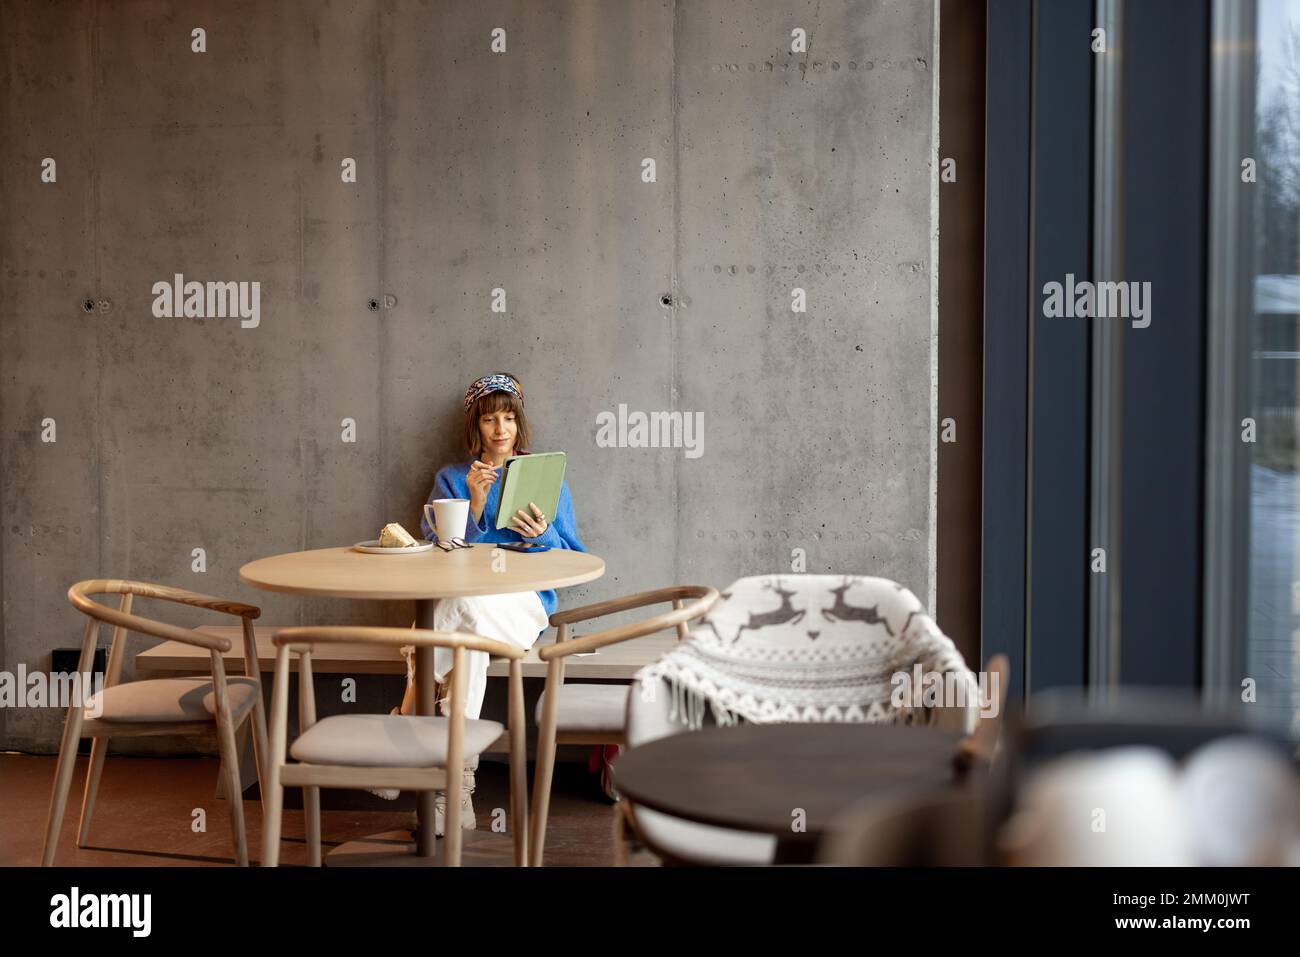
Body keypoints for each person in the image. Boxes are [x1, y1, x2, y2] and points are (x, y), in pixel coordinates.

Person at [377, 372, 586, 835]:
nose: (500, 429)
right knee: (466, 645)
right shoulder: (451, 477)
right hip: (467, 605)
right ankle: (454, 793)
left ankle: (404, 727)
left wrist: (543, 534)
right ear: (477, 425)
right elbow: (434, 551)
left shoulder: (547, 477)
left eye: (509, 418)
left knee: (447, 622)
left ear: (519, 423)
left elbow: (574, 556)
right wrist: (472, 504)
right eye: (490, 419)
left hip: (522, 604)